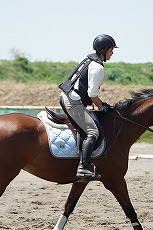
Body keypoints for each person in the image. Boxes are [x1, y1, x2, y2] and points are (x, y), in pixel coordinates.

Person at [59, 34, 118, 180]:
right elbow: (92, 94)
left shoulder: (86, 59)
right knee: (93, 131)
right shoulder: (98, 67)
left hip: (66, 97)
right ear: (103, 49)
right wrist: (101, 107)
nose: (113, 53)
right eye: (111, 49)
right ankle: (83, 168)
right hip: (73, 102)